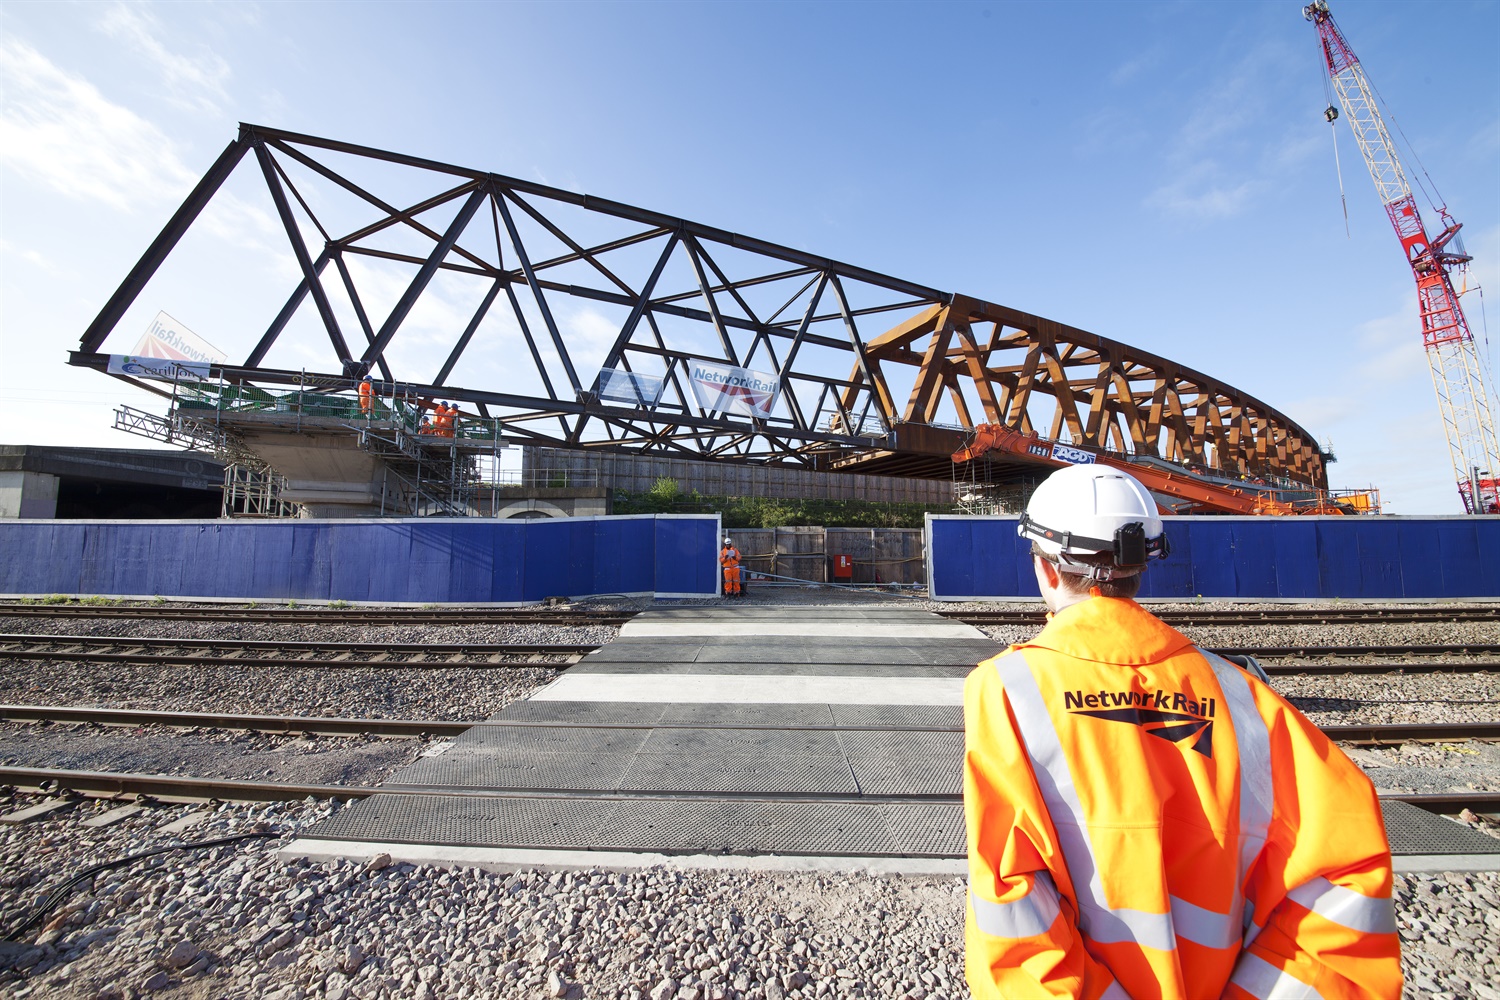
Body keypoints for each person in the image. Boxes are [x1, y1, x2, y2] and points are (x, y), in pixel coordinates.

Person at [964, 464, 1400, 999]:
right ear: (1142, 563)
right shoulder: (1239, 694)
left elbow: (1014, 903)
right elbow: (1345, 872)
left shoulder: (1008, 689)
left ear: (1047, 569)